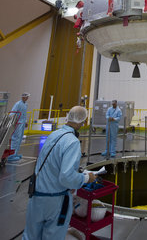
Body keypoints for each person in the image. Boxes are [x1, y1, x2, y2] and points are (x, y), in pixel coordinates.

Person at [22, 106, 96, 240]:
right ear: (82, 121)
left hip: (36, 196)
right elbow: (66, 177)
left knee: (30, 236)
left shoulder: (54, 135)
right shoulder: (72, 142)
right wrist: (85, 178)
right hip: (55, 200)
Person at [8, 92, 30, 162]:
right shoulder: (18, 104)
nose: (27, 98)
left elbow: (24, 114)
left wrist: (25, 122)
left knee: (20, 138)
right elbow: (12, 113)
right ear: (23, 97)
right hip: (18, 123)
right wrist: (11, 122)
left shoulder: (25, 104)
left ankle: (15, 153)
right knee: (15, 138)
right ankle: (11, 155)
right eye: (27, 96)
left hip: (22, 123)